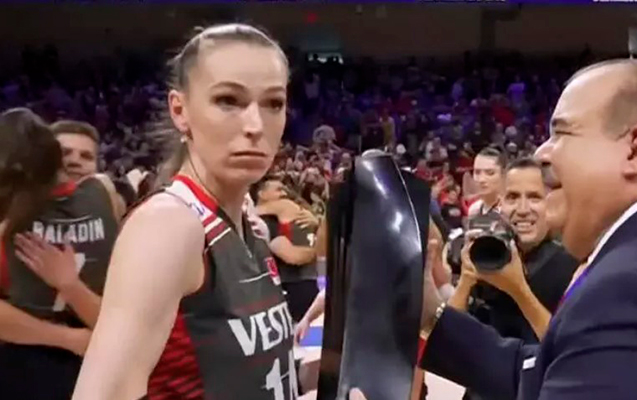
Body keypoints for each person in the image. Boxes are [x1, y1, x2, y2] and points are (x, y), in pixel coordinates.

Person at [72, 24, 297, 400]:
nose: (255, 126)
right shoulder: (169, 225)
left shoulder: (248, 228)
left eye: (273, 103)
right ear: (180, 110)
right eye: (228, 100)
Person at [420, 59, 637, 399]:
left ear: (633, 150)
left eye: (562, 133)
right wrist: (429, 314)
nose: (541, 152)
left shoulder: (622, 283)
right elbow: (536, 371)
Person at [0, 108, 120, 400]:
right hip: (33, 364)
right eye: (65, 153)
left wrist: (70, 285)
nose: (75, 161)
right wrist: (69, 338)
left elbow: (124, 319)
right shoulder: (103, 194)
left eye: (86, 156)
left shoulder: (109, 202)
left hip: (98, 359)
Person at [449, 157, 579, 343]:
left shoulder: (571, 265)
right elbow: (449, 339)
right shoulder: (487, 252)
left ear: (551, 203)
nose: (523, 209)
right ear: (501, 204)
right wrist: (466, 280)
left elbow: (566, 347)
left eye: (534, 197)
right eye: (513, 197)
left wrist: (518, 290)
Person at [254, 176, 321, 322]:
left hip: (294, 283)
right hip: (305, 280)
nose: (283, 193)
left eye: (284, 190)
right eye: (278, 190)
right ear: (261, 193)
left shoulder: (283, 207)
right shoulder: (293, 210)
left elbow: (250, 211)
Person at [467, 147, 506, 218]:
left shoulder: (512, 210)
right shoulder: (474, 210)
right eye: (477, 172)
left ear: (503, 175)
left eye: (490, 173)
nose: (481, 179)